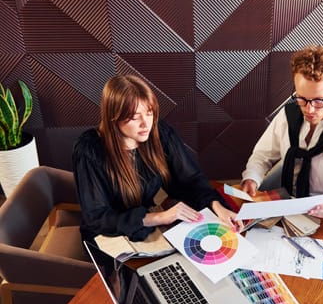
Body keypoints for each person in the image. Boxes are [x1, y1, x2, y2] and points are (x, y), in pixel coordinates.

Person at [73, 74, 242, 243]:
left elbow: (190, 180)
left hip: (146, 226)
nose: (146, 124)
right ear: (114, 118)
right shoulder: (90, 150)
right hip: (106, 236)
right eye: (134, 117)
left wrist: (217, 207)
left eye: (149, 113)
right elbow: (98, 218)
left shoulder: (159, 133)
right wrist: (159, 217)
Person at [241, 45, 323, 230]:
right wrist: (252, 178)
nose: (309, 110)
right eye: (301, 98)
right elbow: (262, 156)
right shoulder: (288, 114)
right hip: (284, 204)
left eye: (319, 101)